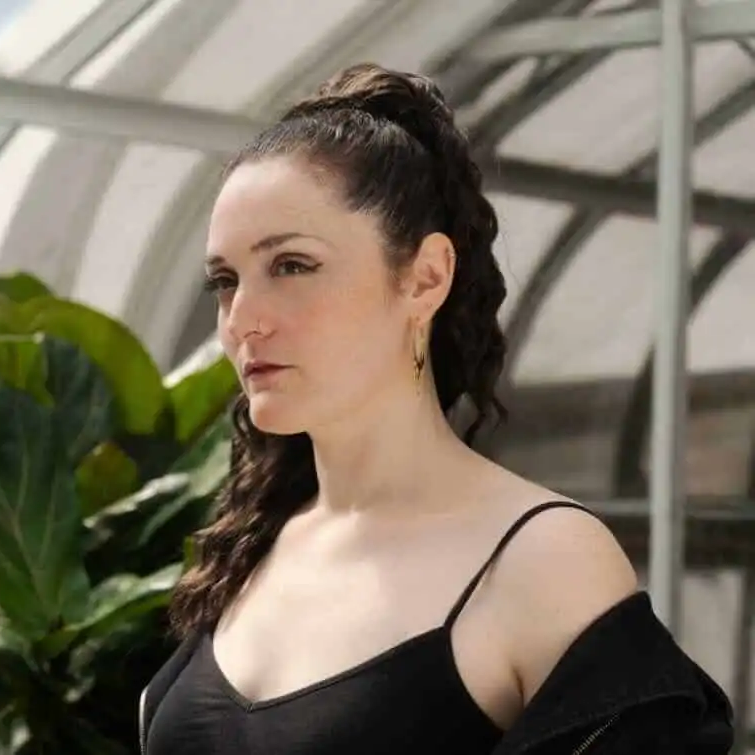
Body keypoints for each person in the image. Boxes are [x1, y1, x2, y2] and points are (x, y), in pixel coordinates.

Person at [139, 63, 733, 754]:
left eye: (292, 265)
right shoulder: (248, 546)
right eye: (224, 280)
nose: (243, 318)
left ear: (426, 277)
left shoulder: (541, 561)